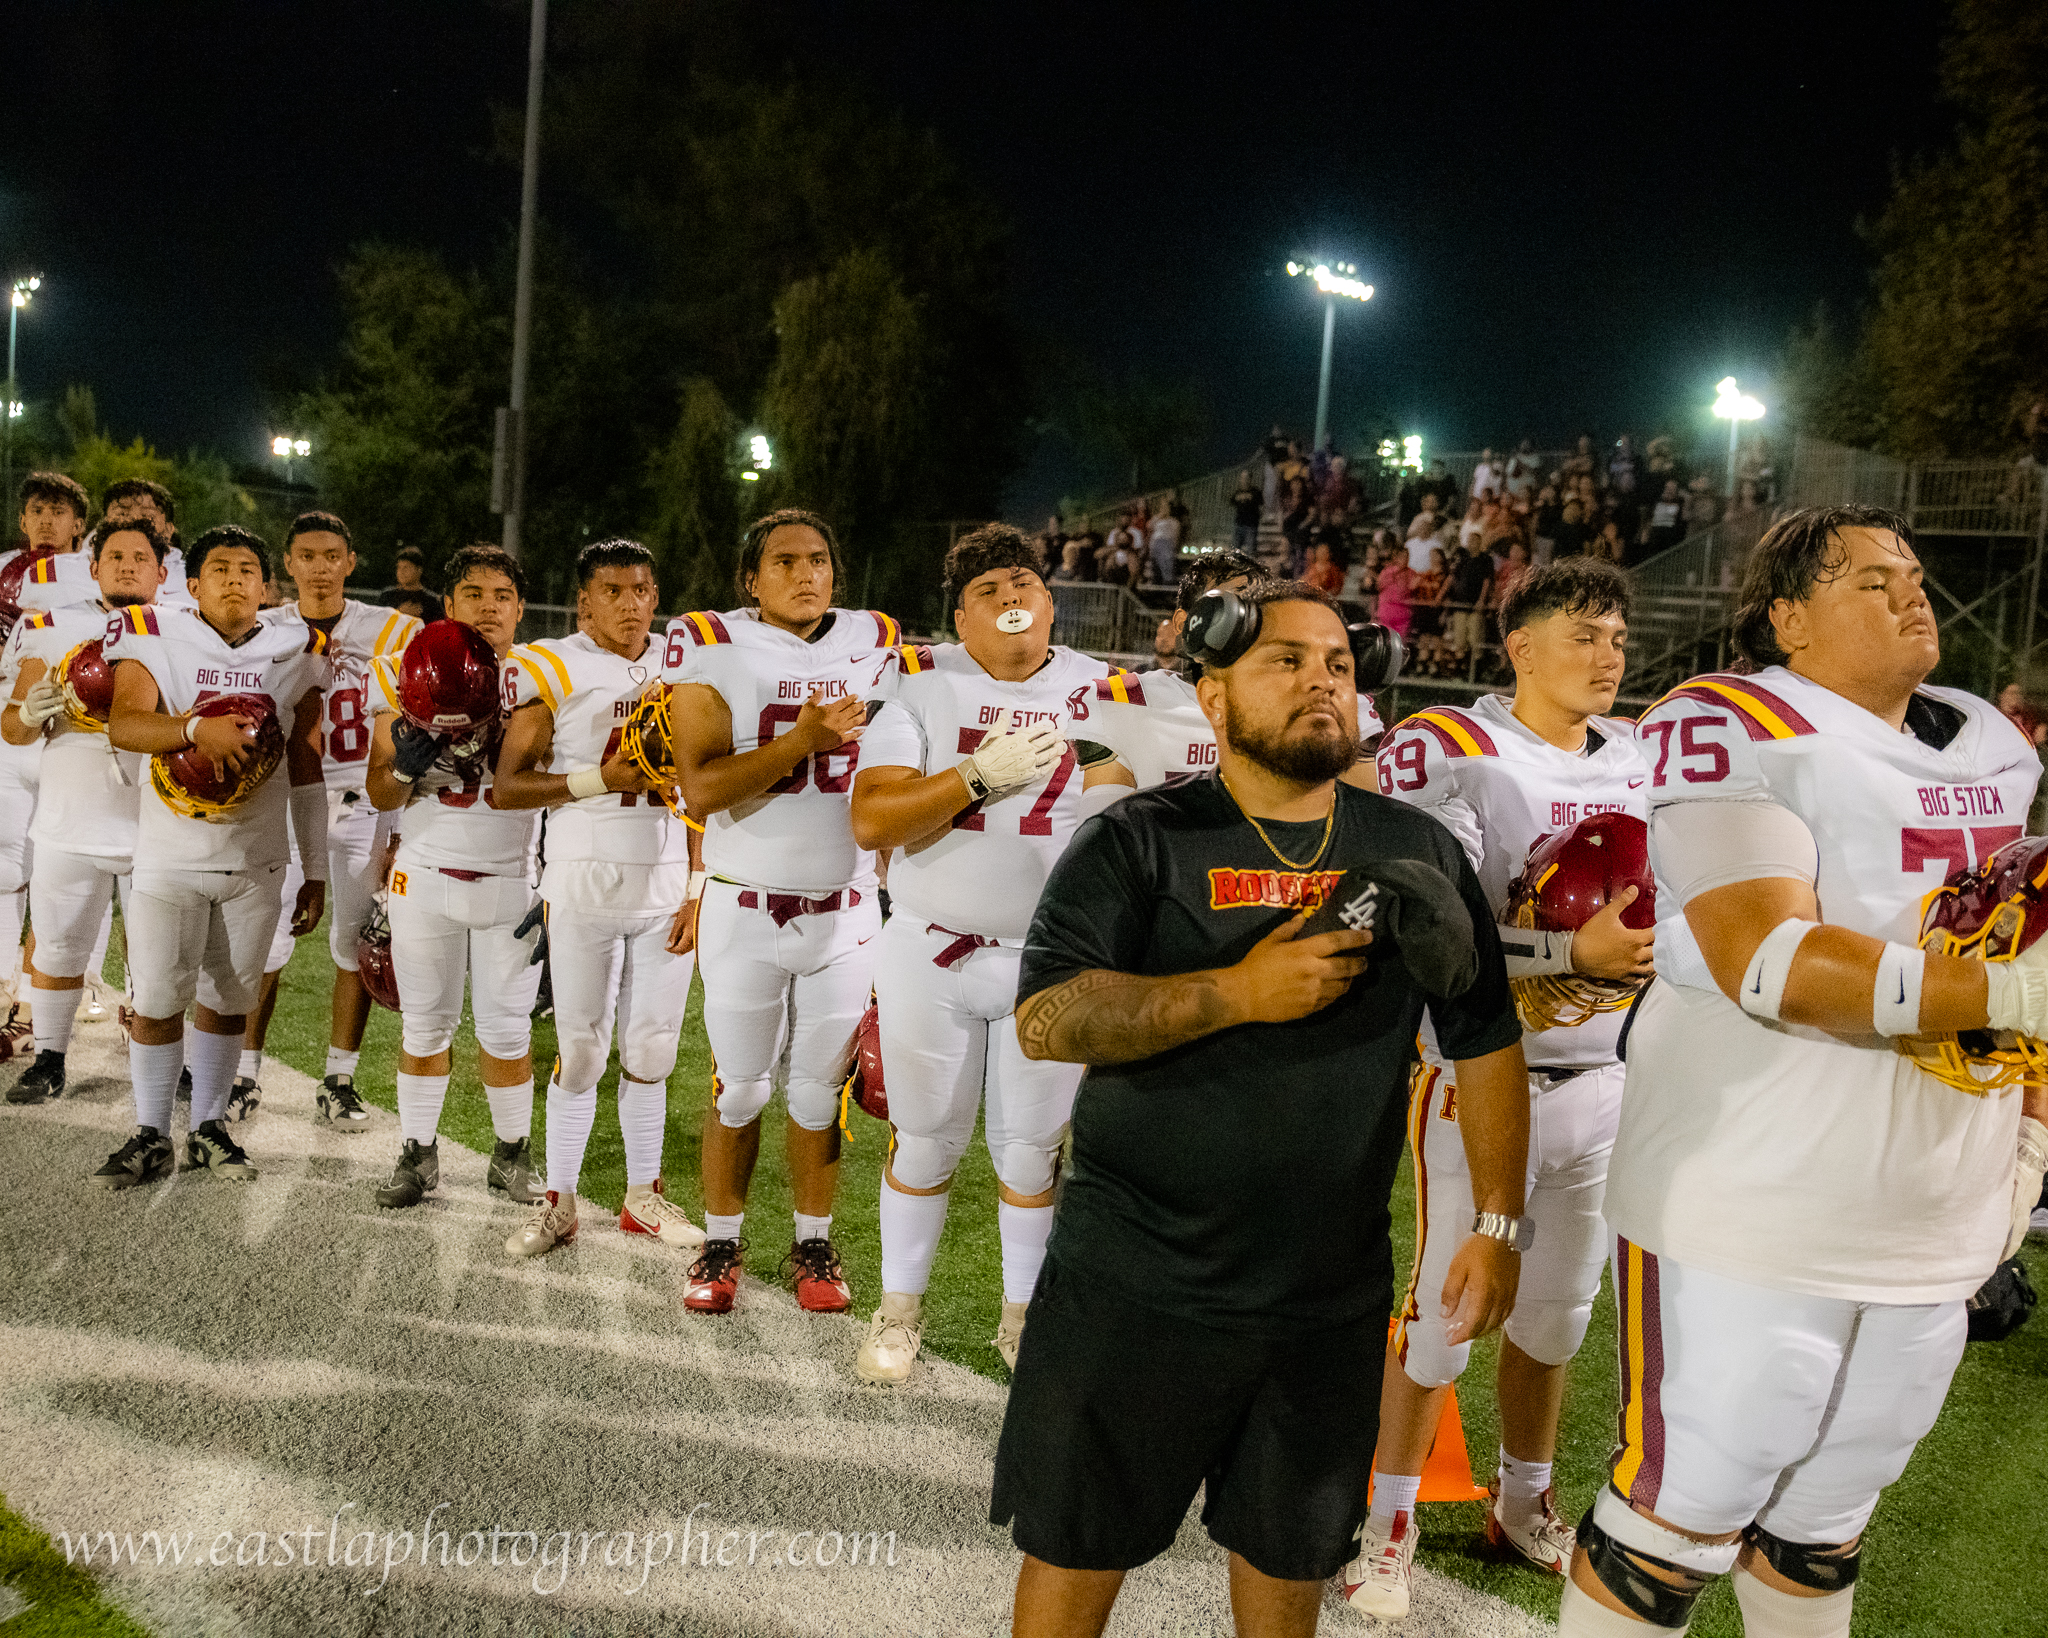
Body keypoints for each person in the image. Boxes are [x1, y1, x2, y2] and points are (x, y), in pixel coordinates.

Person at [991, 581, 1528, 1638]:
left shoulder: (1415, 849)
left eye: (1337, 664)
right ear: (1214, 695)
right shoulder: (1140, 837)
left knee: (1291, 1561)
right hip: (1133, 1283)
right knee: (1076, 1548)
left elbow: (1486, 1037)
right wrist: (1235, 993)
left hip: (1324, 1297)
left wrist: (1498, 1223)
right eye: (1286, 660)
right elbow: (1047, 1019)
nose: (1320, 681)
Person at [1559, 505, 2048, 1636]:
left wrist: (2027, 1136)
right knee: (1685, 1505)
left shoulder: (1991, 740)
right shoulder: (1729, 721)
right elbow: (1767, 959)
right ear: (1787, 618)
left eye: (1912, 573)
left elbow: (2018, 949)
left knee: (1829, 1517)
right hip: (1752, 1198)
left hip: (1935, 1205)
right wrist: (2009, 999)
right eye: (1870, 580)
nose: (1910, 592)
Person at [1350, 559, 1652, 1616]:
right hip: (1484, 1076)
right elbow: (1425, 930)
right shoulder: (1455, 751)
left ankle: (1523, 1502)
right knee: (1444, 1314)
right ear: (1520, 646)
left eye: (1618, 638)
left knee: (1558, 1317)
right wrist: (1571, 955)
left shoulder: (1638, 751)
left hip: (1610, 1074)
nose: (1608, 656)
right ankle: (1385, 1524)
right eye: (1584, 636)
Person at [846, 524, 1112, 1382]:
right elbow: (873, 820)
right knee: (924, 1140)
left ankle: (1024, 1319)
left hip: (1052, 956)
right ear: (960, 618)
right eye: (988, 591)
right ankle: (899, 1312)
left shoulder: (1104, 691)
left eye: (1023, 584)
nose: (1010, 600)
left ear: (1050, 602)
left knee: (1032, 1153)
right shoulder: (920, 682)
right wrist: (975, 777)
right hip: (933, 947)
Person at [667, 509, 903, 1314]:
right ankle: (720, 1241)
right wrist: (802, 741)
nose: (807, 574)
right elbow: (701, 788)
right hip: (746, 903)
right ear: (751, 579)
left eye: (819, 560)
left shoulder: (876, 639)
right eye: (786, 561)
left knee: (816, 1092)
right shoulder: (711, 642)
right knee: (739, 1090)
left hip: (846, 908)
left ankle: (812, 1242)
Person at [96, 525, 330, 1187]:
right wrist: (197, 727)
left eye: (247, 569)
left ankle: (208, 1129)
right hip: (170, 852)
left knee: (229, 999)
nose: (234, 579)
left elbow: (306, 763)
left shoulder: (299, 648)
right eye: (220, 569)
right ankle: (150, 1132)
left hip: (256, 857)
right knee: (157, 999)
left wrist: (315, 869)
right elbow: (126, 722)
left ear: (267, 587)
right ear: (192, 585)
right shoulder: (153, 631)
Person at [494, 538, 702, 1259]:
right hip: (582, 880)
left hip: (666, 880)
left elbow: (704, 784)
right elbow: (508, 786)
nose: (630, 604)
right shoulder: (554, 665)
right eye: (612, 591)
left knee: (654, 1047)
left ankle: (643, 1196)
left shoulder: (686, 661)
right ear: (584, 602)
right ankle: (560, 1203)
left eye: (641, 590)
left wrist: (698, 885)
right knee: (581, 1051)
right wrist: (599, 780)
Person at [362, 543, 549, 1208]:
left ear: (521, 609)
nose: (488, 608)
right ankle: (417, 1152)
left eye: (502, 596)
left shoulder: (541, 675)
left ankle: (511, 1154)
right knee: (424, 1026)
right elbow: (380, 792)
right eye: (474, 594)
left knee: (508, 1030)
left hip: (510, 876)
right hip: (424, 874)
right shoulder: (399, 670)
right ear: (448, 604)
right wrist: (403, 768)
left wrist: (556, 884)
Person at [238, 514, 421, 1124]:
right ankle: (242, 1072)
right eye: (308, 556)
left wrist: (402, 829)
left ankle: (339, 1078)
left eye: (332, 556)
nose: (320, 567)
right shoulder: (264, 628)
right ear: (289, 564)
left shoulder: (395, 629)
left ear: (350, 562)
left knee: (355, 942)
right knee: (266, 939)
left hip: (366, 799)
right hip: (288, 797)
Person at [0, 517, 168, 1103]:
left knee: (159, 958)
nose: (127, 565)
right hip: (70, 813)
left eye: (140, 558)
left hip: (155, 820)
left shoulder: (182, 629)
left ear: (161, 573)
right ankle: (49, 1057)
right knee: (58, 946)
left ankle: (160, 1065)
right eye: (115, 556)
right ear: (93, 567)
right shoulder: (49, 626)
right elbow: (13, 729)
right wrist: (27, 713)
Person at [1070, 552, 1384, 795]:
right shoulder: (1125, 700)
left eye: (1257, 612)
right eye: (1230, 608)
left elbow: (1366, 823)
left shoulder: (1324, 698)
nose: (1247, 624)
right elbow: (1105, 834)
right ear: (1183, 624)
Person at [381, 546, 445, 624]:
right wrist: (399, 613)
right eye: (399, 567)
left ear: (419, 570)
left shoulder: (432, 601)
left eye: (406, 567)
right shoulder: (387, 596)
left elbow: (437, 628)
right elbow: (378, 624)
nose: (401, 572)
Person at [1146, 504, 1181, 589]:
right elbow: (1149, 527)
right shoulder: (1156, 520)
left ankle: (1167, 579)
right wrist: (1159, 517)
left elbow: (1175, 535)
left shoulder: (1173, 521)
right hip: (1156, 544)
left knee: (1165, 557)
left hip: (1166, 543)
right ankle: (1159, 580)